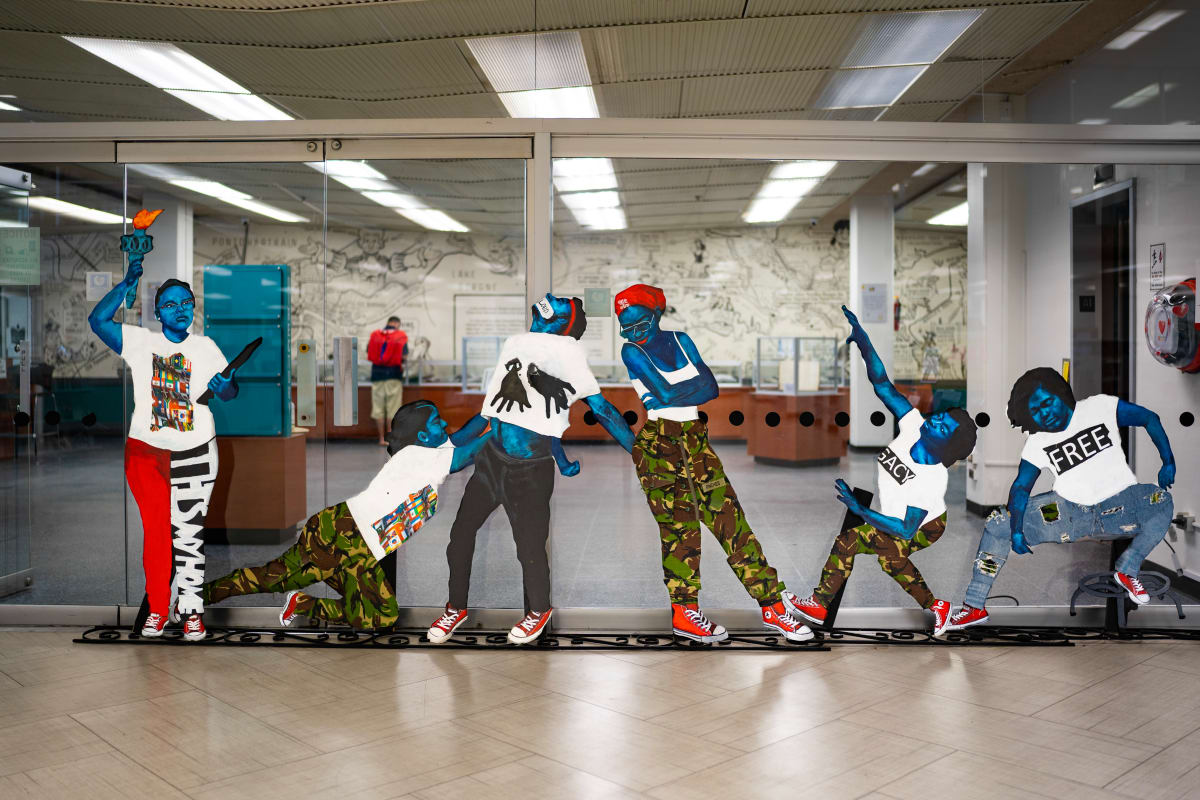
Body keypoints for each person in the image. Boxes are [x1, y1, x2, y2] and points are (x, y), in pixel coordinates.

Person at [427, 293, 634, 646]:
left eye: (562, 304)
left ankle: (539, 609)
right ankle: (455, 607)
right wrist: (447, 445)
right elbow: (489, 411)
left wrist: (640, 452)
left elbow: (600, 408)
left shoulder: (568, 349)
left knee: (529, 548)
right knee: (460, 535)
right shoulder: (515, 342)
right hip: (491, 460)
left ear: (564, 325)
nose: (551, 297)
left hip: (530, 470)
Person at [615, 283, 812, 643]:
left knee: (732, 522)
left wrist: (684, 390)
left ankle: (772, 605)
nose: (634, 333)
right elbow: (667, 393)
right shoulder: (631, 352)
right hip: (659, 444)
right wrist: (690, 387)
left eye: (639, 323)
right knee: (679, 533)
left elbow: (712, 388)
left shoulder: (681, 340)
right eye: (625, 327)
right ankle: (684, 613)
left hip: (694, 439)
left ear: (657, 312)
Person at [203, 401, 491, 629]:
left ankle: (302, 604)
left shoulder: (431, 450)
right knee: (270, 578)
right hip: (338, 535)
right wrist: (504, 427)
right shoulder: (418, 456)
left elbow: (462, 436)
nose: (444, 424)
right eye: (436, 422)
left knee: (380, 616)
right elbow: (467, 454)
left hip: (363, 549)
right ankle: (198, 599)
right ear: (423, 436)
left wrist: (493, 409)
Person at [791, 306, 977, 637]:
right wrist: (863, 340)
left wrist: (861, 510)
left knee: (853, 541)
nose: (934, 419)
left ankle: (819, 605)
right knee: (892, 560)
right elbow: (882, 384)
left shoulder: (931, 479)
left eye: (943, 425)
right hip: (900, 515)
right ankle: (938, 608)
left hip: (925, 525)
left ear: (947, 445)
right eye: (940, 415)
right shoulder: (914, 424)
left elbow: (906, 530)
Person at [947, 367, 1175, 631]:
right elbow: (1021, 487)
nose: (1045, 413)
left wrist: (1167, 462)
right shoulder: (1037, 441)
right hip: (1069, 514)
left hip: (1120, 506)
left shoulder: (1099, 407)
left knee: (1161, 501)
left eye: (1047, 402)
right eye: (1037, 411)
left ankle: (1128, 567)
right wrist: (1016, 530)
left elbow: (1149, 418)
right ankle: (974, 607)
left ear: (1061, 394)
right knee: (998, 524)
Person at [89, 255, 239, 642]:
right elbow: (98, 321)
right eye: (170, 305)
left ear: (193, 308)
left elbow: (230, 390)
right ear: (157, 312)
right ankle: (158, 608)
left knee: (189, 535)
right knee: (156, 533)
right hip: (145, 453)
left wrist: (226, 390)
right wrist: (126, 284)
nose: (180, 310)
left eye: (186, 303)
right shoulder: (141, 342)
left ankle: (191, 613)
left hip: (196, 451)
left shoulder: (206, 347)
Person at [367, 316, 408, 446]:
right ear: (397, 324)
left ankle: (381, 438)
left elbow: (369, 352)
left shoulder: (375, 335)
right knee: (393, 408)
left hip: (377, 376)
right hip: (393, 376)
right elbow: (405, 355)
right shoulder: (400, 336)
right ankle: (389, 438)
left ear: (388, 323)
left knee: (378, 408)